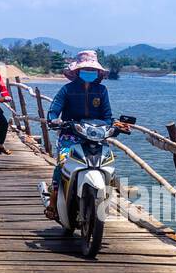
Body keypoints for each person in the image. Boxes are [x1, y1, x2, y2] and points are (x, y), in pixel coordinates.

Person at [44, 50, 127, 219]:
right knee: (63, 163)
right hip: (71, 134)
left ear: (98, 72)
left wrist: (115, 125)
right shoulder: (67, 90)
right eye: (85, 69)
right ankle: (53, 200)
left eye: (92, 70)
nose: (89, 73)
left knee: (108, 163)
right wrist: (54, 120)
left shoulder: (102, 91)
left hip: (96, 135)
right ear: (77, 71)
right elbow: (54, 110)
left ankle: (106, 197)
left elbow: (107, 115)